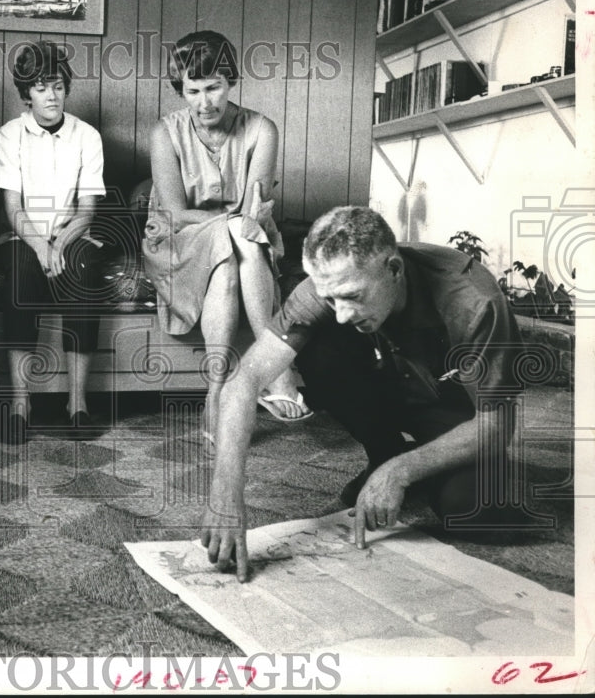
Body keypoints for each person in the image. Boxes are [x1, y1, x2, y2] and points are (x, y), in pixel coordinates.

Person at [200, 206, 533, 581]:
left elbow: (497, 426)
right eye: (330, 300)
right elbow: (246, 378)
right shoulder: (327, 285)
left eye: (352, 296)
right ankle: (384, 452)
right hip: (388, 390)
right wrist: (226, 494)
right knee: (318, 346)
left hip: (454, 416)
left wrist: (402, 472)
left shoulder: (475, 301)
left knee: (476, 510)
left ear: (393, 270)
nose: (341, 313)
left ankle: (405, 465)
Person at [141, 30, 309, 445]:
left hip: (244, 242)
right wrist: (233, 223)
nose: (204, 102)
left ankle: (215, 392)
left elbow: (254, 213)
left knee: (236, 251)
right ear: (180, 89)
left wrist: (237, 224)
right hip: (180, 242)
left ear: (230, 80)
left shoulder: (261, 129)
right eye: (192, 90)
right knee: (234, 235)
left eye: (213, 87)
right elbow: (177, 214)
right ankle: (278, 370)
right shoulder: (165, 133)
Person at [0, 40, 106, 440]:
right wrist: (41, 245)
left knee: (84, 268)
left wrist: (59, 244)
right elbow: (13, 207)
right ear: (26, 94)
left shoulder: (86, 135)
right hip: (23, 236)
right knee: (22, 272)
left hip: (72, 235)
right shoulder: (10, 134)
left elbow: (87, 210)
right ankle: (20, 402)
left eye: (57, 85)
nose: (52, 95)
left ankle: (77, 402)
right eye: (41, 87)